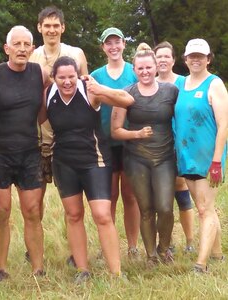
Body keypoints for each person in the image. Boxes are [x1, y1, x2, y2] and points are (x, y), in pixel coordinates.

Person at [42, 56, 134, 283]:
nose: (66, 82)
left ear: (78, 75)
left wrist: (101, 87)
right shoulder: (47, 94)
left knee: (102, 215)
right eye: (61, 77)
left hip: (95, 159)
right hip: (64, 162)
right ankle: (82, 270)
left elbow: (127, 100)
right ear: (54, 78)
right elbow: (33, 118)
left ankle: (116, 273)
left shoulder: (89, 90)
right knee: (73, 215)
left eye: (71, 77)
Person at [0, 25, 49, 282]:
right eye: (16, 44)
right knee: (2, 210)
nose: (21, 48)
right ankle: (2, 269)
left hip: (30, 152)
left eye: (26, 44)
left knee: (32, 211)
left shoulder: (40, 73)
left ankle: (38, 268)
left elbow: (50, 101)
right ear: (7, 48)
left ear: (32, 48)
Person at [112, 43, 178, 266]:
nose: (145, 72)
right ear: (134, 70)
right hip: (136, 159)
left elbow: (185, 117)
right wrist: (137, 133)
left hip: (165, 158)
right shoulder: (127, 94)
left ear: (156, 67)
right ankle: (151, 255)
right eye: (140, 68)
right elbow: (115, 130)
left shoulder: (171, 91)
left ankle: (164, 248)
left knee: (165, 207)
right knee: (146, 209)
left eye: (148, 67)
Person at [29, 5, 88, 222]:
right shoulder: (31, 57)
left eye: (56, 25)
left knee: (72, 201)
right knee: (35, 199)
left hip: (70, 138)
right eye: (47, 26)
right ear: (39, 27)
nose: (51, 30)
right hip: (40, 137)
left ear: (63, 28)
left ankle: (74, 250)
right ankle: (35, 249)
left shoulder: (76, 54)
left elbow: (87, 93)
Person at [174, 38, 228, 273]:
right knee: (204, 207)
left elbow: (224, 123)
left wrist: (217, 161)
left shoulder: (214, 84)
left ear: (208, 59)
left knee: (205, 208)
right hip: (187, 156)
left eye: (201, 56)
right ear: (185, 59)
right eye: (192, 56)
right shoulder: (180, 84)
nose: (196, 59)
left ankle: (201, 263)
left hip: (208, 158)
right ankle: (217, 254)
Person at [91, 27, 140, 258]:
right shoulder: (96, 75)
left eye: (117, 42)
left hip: (131, 141)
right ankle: (107, 246)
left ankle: (132, 246)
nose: (113, 47)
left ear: (123, 44)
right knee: (108, 196)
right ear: (103, 47)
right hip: (104, 143)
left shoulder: (134, 72)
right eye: (108, 43)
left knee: (130, 196)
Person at [154, 41, 195, 253]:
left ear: (173, 59)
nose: (162, 60)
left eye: (166, 56)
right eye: (158, 56)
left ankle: (190, 241)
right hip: (157, 147)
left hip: (180, 145)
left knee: (182, 192)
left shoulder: (184, 83)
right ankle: (165, 244)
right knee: (162, 199)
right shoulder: (149, 83)